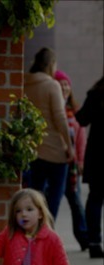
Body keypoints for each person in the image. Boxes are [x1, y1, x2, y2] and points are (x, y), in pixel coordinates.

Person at [24, 48, 74, 219]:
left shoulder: (24, 83)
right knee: (54, 198)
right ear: (51, 64)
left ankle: (34, 232)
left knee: (35, 197)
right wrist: (69, 145)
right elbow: (60, 118)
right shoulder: (52, 85)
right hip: (55, 151)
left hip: (33, 150)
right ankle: (47, 233)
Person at [54, 70, 89, 251]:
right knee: (52, 200)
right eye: (60, 84)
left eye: (66, 84)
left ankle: (85, 239)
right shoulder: (53, 108)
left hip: (72, 166)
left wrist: (81, 160)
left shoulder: (74, 111)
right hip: (56, 163)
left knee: (76, 202)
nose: (64, 87)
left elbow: (81, 138)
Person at [75, 75, 104, 259]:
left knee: (95, 198)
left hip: (98, 154)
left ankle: (94, 242)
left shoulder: (96, 93)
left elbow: (82, 119)